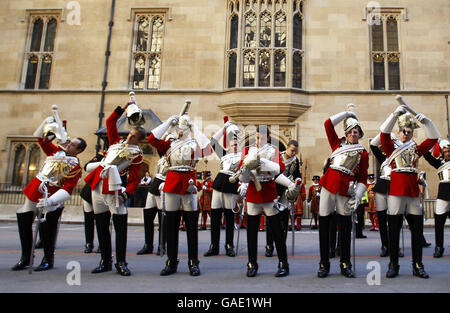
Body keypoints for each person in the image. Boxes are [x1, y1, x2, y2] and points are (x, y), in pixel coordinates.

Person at [12, 115, 86, 271]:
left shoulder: (75, 166)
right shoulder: (55, 152)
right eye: (70, 143)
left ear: (78, 150)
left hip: (51, 195)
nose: (68, 145)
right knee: (25, 220)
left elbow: (68, 188)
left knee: (48, 227)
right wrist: (46, 123)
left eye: (72, 145)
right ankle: (26, 256)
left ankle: (47, 258)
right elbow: (40, 139)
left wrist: (51, 201)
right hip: (35, 189)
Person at [147, 101, 213, 276]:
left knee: (192, 226)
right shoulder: (169, 144)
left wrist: (195, 127)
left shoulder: (193, 144)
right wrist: (168, 123)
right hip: (172, 182)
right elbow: (151, 138)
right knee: (171, 225)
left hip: (188, 183)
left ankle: (193, 261)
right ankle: (171, 260)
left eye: (184, 127)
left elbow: (208, 150)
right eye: (179, 127)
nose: (181, 129)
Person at [379, 101, 440, 278]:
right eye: (403, 131)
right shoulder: (391, 147)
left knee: (417, 231)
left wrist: (428, 122)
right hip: (397, 191)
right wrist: (394, 115)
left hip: (412, 192)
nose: (406, 134)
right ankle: (393, 264)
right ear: (398, 133)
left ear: (413, 134)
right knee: (394, 230)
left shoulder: (416, 148)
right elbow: (383, 133)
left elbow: (434, 139)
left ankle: (418, 264)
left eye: (409, 131)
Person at [84, 102, 145, 276]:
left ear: (139, 140)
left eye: (133, 137)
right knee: (102, 226)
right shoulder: (115, 144)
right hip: (98, 186)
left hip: (114, 189)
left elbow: (134, 180)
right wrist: (123, 108)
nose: (128, 138)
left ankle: (121, 262)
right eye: (129, 135)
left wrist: (126, 194)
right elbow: (111, 123)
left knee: (120, 228)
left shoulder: (136, 155)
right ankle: (105, 260)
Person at [238, 125, 298, 277]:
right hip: (253, 191)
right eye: (257, 137)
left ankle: (283, 263)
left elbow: (278, 170)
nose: (258, 140)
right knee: (251, 232)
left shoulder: (273, 151)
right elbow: (242, 174)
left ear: (268, 137)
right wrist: (243, 180)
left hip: (268, 191)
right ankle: (252, 263)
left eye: (262, 137)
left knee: (277, 231)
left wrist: (290, 184)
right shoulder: (247, 151)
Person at [317, 105, 369, 278]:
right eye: (351, 132)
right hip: (328, 185)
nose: (353, 134)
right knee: (324, 224)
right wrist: (346, 113)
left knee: (346, 227)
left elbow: (362, 178)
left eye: (356, 132)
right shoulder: (336, 143)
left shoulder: (363, 153)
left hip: (346, 190)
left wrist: (359, 196)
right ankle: (324, 263)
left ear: (360, 135)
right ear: (346, 134)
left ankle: (345, 262)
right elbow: (327, 124)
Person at [204, 119, 241, 257]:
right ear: (229, 145)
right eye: (233, 144)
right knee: (215, 216)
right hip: (219, 185)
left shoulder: (242, 156)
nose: (235, 146)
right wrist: (224, 127)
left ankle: (229, 245)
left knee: (230, 217)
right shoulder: (224, 154)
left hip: (231, 185)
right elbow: (213, 141)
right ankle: (214, 245)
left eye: (237, 144)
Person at [266, 140, 301, 257]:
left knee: (284, 219)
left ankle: (282, 244)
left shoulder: (295, 161)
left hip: (286, 191)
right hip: (274, 189)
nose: (293, 153)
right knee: (271, 219)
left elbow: (297, 174)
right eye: (292, 150)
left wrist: (297, 180)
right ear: (287, 148)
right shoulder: (277, 157)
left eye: (295, 151)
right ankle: (269, 245)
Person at [137, 154, 169, 255]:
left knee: (162, 218)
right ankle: (148, 244)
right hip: (155, 185)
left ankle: (162, 244)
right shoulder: (162, 157)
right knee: (148, 215)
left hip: (164, 184)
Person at [423, 139, 449, 258]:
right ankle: (439, 246)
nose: (448, 153)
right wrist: (434, 143)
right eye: (445, 151)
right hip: (443, 193)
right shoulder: (440, 164)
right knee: (439, 222)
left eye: (449, 151)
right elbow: (426, 155)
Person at [79, 152, 104, 253]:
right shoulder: (100, 157)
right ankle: (89, 243)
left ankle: (102, 244)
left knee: (102, 220)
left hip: (103, 192)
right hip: (91, 190)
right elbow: (87, 167)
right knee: (88, 218)